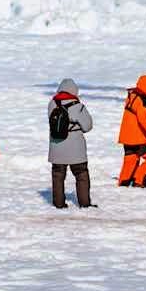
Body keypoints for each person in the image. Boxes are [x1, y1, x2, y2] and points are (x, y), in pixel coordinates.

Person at [48, 78, 94, 209]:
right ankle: (85, 204)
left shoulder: (52, 104)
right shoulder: (78, 106)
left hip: (56, 147)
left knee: (58, 176)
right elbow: (88, 126)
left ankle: (58, 204)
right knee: (81, 175)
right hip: (76, 149)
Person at [117, 74, 146, 187]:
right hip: (138, 137)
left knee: (131, 159)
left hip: (126, 136)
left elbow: (136, 108)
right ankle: (139, 181)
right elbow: (143, 119)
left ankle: (124, 182)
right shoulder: (143, 99)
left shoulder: (133, 95)